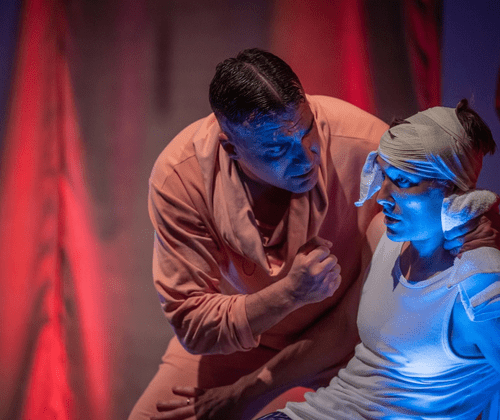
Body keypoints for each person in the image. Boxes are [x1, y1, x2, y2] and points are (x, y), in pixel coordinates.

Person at [129, 49, 495, 420]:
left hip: (345, 347)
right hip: (241, 347)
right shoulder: (181, 177)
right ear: (231, 147)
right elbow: (194, 325)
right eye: (277, 149)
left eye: (308, 132)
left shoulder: (366, 144)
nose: (306, 158)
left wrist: (483, 239)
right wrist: (288, 294)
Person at [257, 100, 500, 420]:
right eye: (384, 177)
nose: (382, 196)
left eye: (403, 182)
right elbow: (345, 326)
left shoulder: (479, 287)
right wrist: (248, 390)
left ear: (454, 193)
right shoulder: (380, 234)